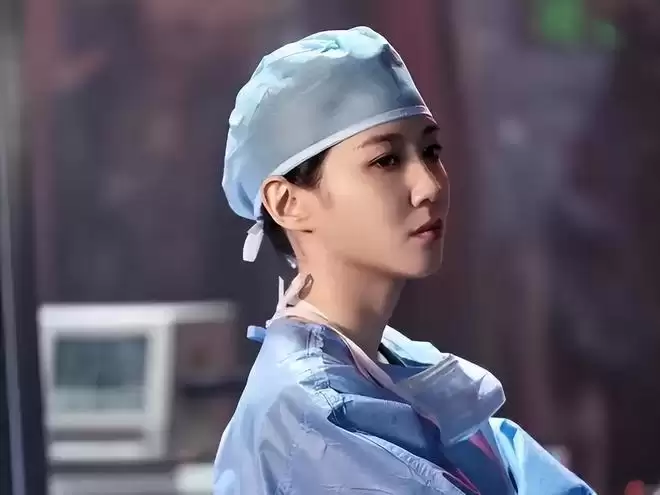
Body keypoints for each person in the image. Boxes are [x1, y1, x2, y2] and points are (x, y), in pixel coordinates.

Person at [214, 26, 595, 494]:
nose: (430, 186)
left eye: (430, 151)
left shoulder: (400, 373)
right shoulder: (314, 422)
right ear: (287, 203)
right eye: (386, 161)